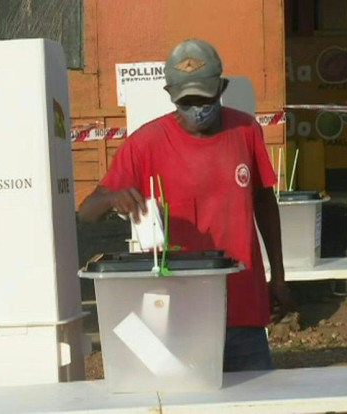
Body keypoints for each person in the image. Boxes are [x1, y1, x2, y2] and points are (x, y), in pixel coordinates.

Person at [78, 39, 294, 372]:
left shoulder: (246, 131)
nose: (196, 109)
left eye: (204, 99)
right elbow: (87, 212)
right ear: (170, 95)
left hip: (242, 307)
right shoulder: (146, 143)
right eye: (186, 101)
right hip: (178, 316)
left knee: (254, 402)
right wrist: (111, 199)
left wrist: (278, 278)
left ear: (221, 87)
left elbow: (265, 204)